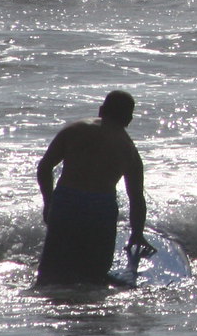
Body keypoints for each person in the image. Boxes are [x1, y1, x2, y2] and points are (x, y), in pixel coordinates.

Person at [35, 91, 150, 287]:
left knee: (50, 273)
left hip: (67, 202)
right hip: (101, 208)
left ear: (101, 110)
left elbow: (44, 167)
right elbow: (136, 198)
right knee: (95, 276)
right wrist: (136, 233)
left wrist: (49, 202)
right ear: (129, 119)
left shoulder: (74, 130)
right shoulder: (129, 150)